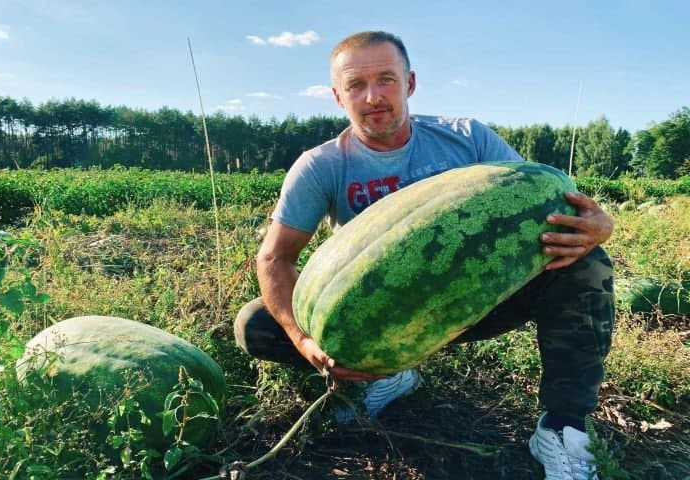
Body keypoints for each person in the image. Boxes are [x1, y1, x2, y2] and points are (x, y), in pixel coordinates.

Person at [234, 31, 614, 480]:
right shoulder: (321, 165)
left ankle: (563, 427)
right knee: (256, 324)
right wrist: (304, 342)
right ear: (338, 96)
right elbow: (274, 259)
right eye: (356, 85)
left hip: (478, 302)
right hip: (381, 322)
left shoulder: (467, 139)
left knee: (586, 265)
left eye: (386, 79)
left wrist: (601, 226)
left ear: (409, 83)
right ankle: (386, 375)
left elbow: (547, 199)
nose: (373, 97)